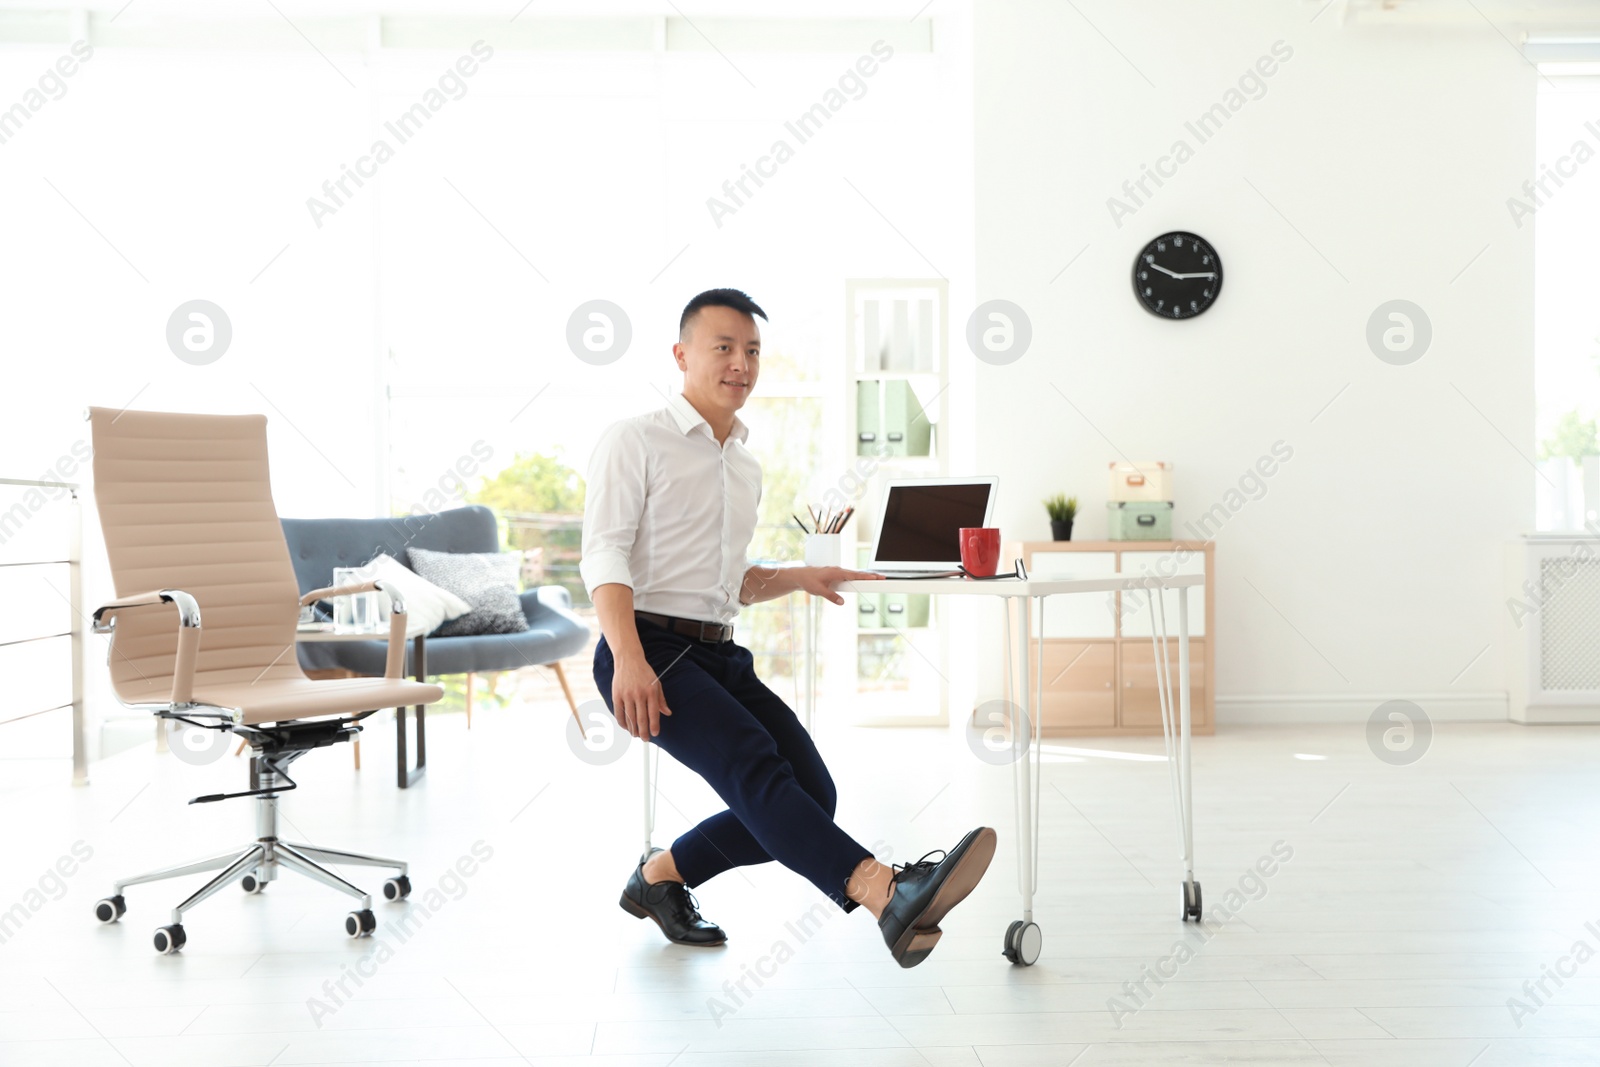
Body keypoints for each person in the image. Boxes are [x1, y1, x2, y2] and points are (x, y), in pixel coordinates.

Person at [580, 287, 995, 968]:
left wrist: (799, 577)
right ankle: (884, 890)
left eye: (752, 351)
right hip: (648, 645)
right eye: (723, 347)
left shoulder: (743, 465)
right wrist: (627, 656)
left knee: (813, 792)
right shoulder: (635, 439)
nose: (740, 363)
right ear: (681, 354)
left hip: (717, 652)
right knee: (755, 767)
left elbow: (730, 580)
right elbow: (604, 553)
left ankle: (659, 877)